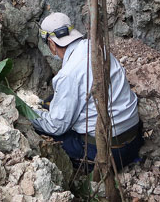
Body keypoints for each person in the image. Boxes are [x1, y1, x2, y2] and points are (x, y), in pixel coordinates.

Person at [32, 12, 143, 171]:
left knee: (47, 135)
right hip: (134, 140)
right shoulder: (98, 48)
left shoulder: (68, 74)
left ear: (51, 43)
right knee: (52, 101)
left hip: (108, 153)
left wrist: (29, 115)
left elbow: (56, 126)